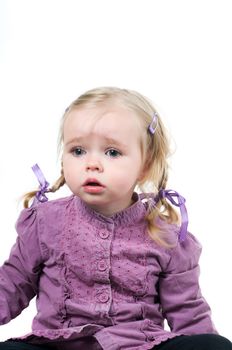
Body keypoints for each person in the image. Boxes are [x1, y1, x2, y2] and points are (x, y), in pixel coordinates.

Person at [0, 87, 231, 350]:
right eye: (77, 151)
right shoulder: (45, 223)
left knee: (213, 346)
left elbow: (188, 311)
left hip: (138, 345)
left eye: (112, 152)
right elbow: (10, 286)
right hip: (58, 345)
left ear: (145, 165)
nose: (92, 163)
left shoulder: (164, 235)